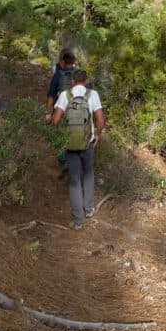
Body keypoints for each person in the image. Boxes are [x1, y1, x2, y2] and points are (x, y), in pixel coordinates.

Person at [50, 67, 105, 230]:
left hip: (71, 143)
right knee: (88, 174)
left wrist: (63, 132)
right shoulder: (93, 94)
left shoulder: (65, 95)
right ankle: (89, 209)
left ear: (72, 81)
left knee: (74, 180)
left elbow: (55, 120)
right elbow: (100, 119)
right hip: (88, 142)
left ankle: (77, 221)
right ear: (86, 81)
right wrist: (97, 135)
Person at [45, 48, 76, 124]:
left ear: (62, 61)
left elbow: (51, 95)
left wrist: (48, 113)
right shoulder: (79, 72)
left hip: (60, 111)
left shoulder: (58, 75)